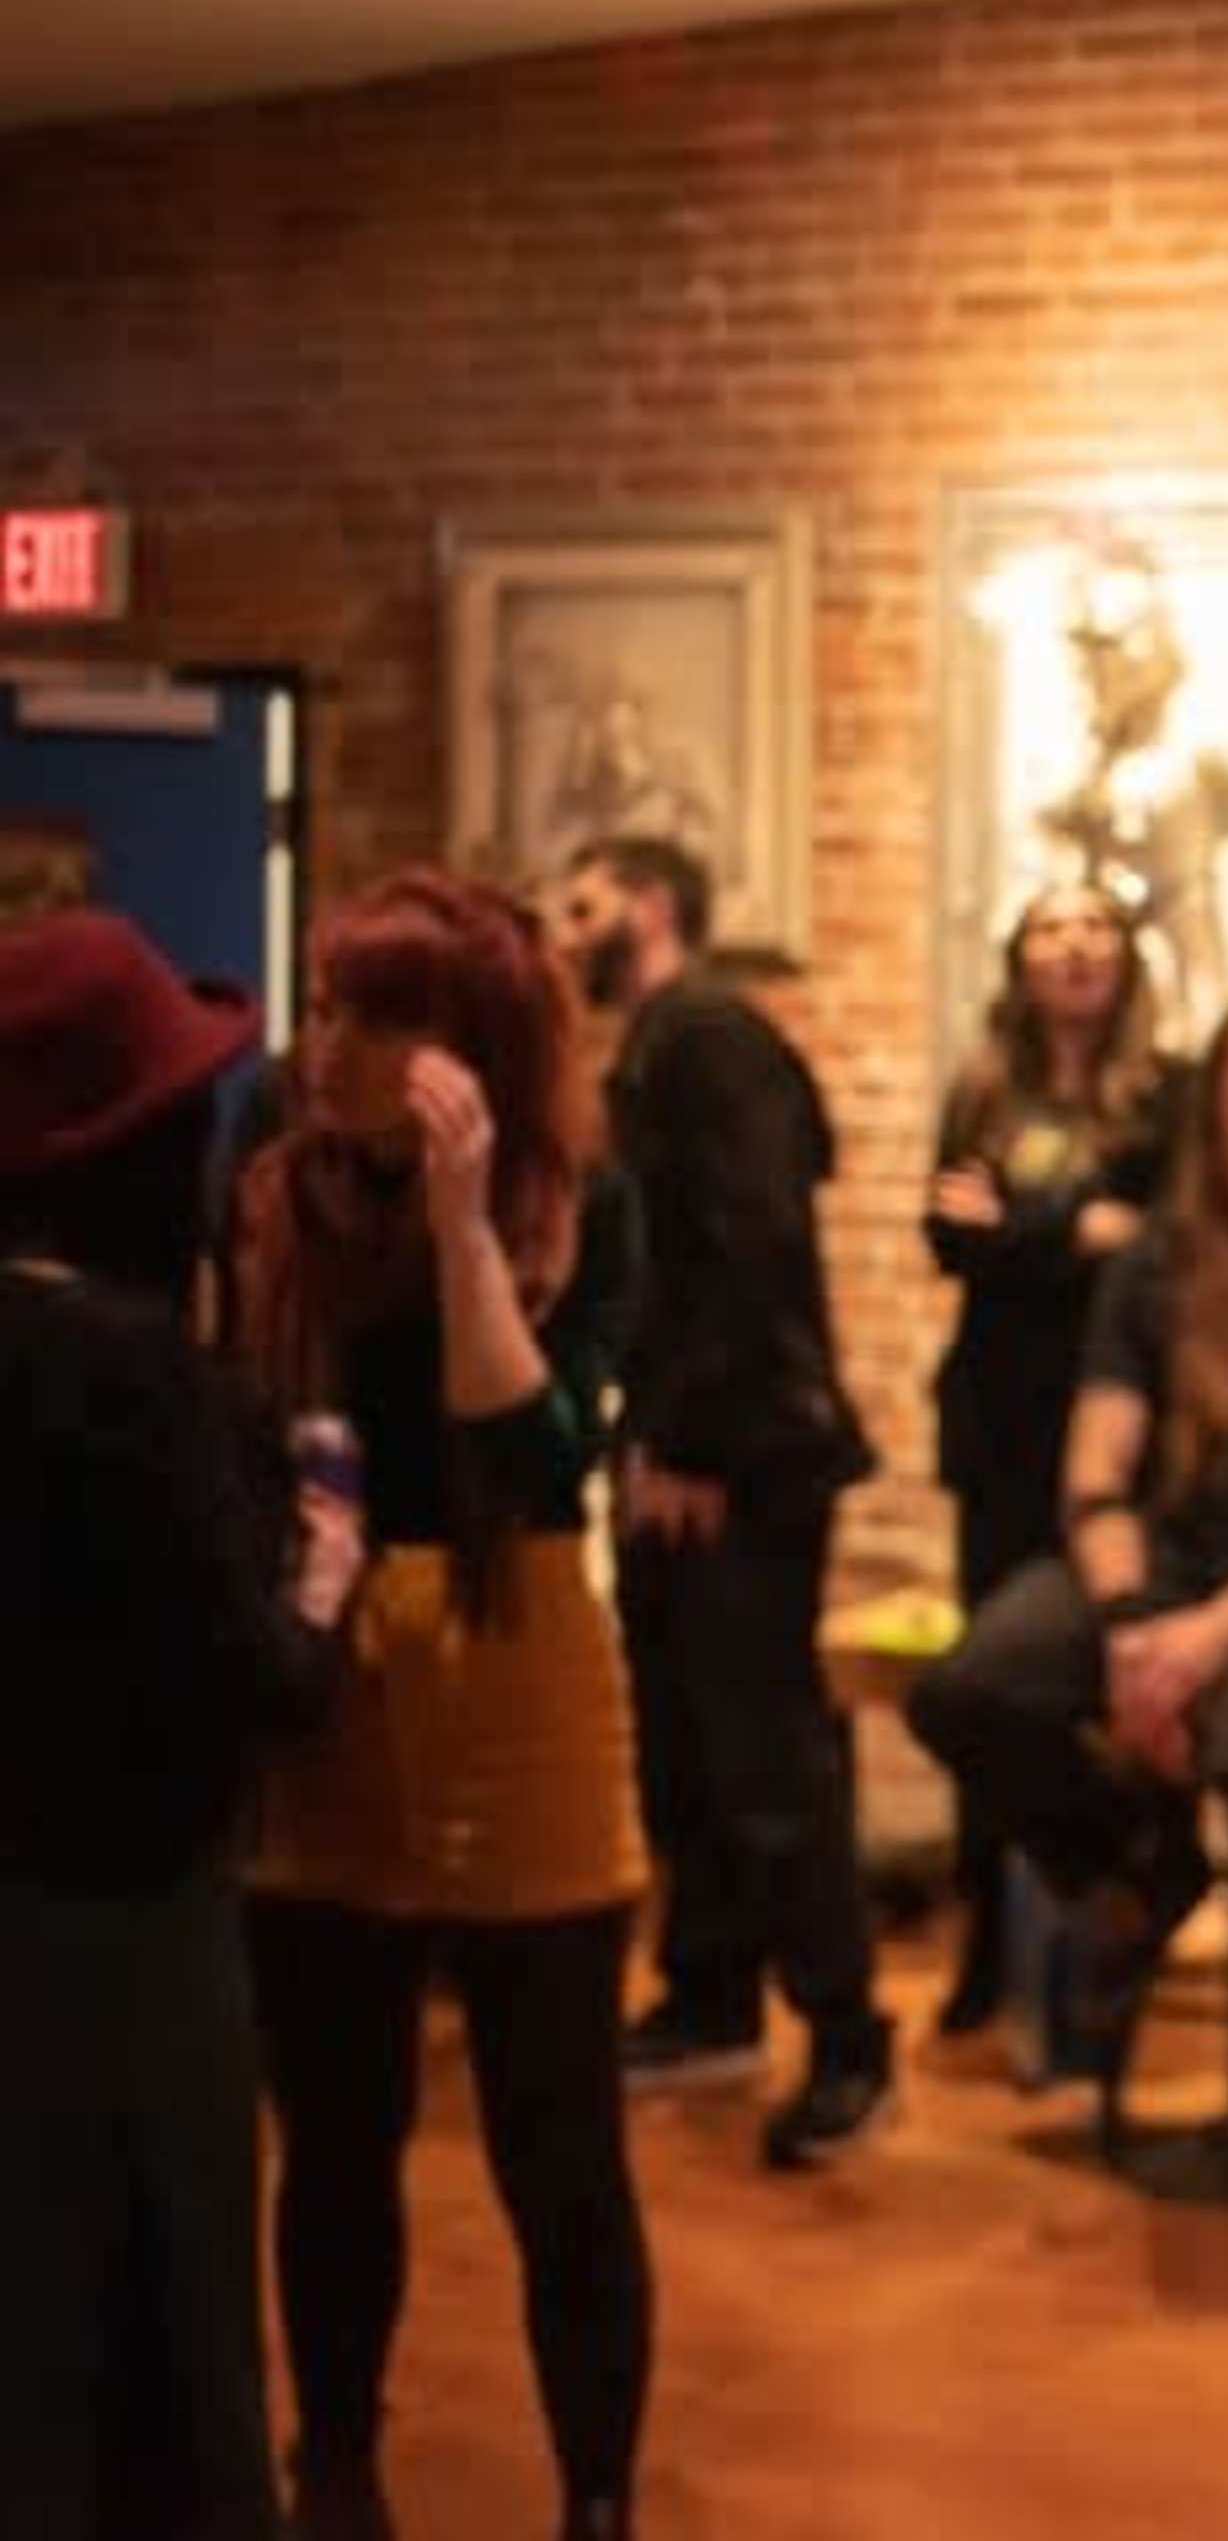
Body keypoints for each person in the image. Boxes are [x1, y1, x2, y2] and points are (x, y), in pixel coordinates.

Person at [226, 867, 654, 2541]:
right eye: (326, 1003)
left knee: (561, 2147)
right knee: (336, 2133)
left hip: (519, 1659)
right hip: (331, 1671)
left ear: (466, 1048)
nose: (321, 1041)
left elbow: (536, 1462)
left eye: (369, 1014)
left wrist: (466, 1224)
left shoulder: (575, 1206)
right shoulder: (270, 1192)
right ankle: (335, 2469)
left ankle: (597, 2498)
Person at [908, 995, 1228, 2054]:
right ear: (1217, 1098)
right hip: (1172, 1554)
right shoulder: (1151, 1260)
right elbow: (1097, 1469)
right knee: (970, 1688)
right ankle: (1144, 1863)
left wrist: (1209, 1637)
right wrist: (1130, 1629)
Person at [0, 908, 319, 2541]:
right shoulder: (131, 1375)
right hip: (134, 1941)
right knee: (170, 2354)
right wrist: (325, 1571)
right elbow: (260, 1679)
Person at [547, 834, 891, 2168]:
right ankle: (711, 1998)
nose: (564, 931)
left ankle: (849, 2036)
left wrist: (690, 1440)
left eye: (582, 905)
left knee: (765, 1753)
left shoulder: (710, 1041)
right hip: (678, 1451)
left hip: (741, 1462)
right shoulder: (660, 1047)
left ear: (648, 907)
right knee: (687, 1743)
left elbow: (755, 1249)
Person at [921, 881, 1184, 2035]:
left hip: (1121, 1433)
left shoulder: (1168, 1098)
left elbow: (1164, 1245)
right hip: (999, 1424)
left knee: (1118, 1669)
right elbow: (946, 1234)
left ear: (1125, 957)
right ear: (1019, 958)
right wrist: (1077, 1226)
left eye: (1095, 927)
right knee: (986, 1677)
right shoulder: (984, 1089)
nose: (1073, 946)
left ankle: (1135, 1898)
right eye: (1049, 927)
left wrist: (1019, 1227)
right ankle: (988, 1934)